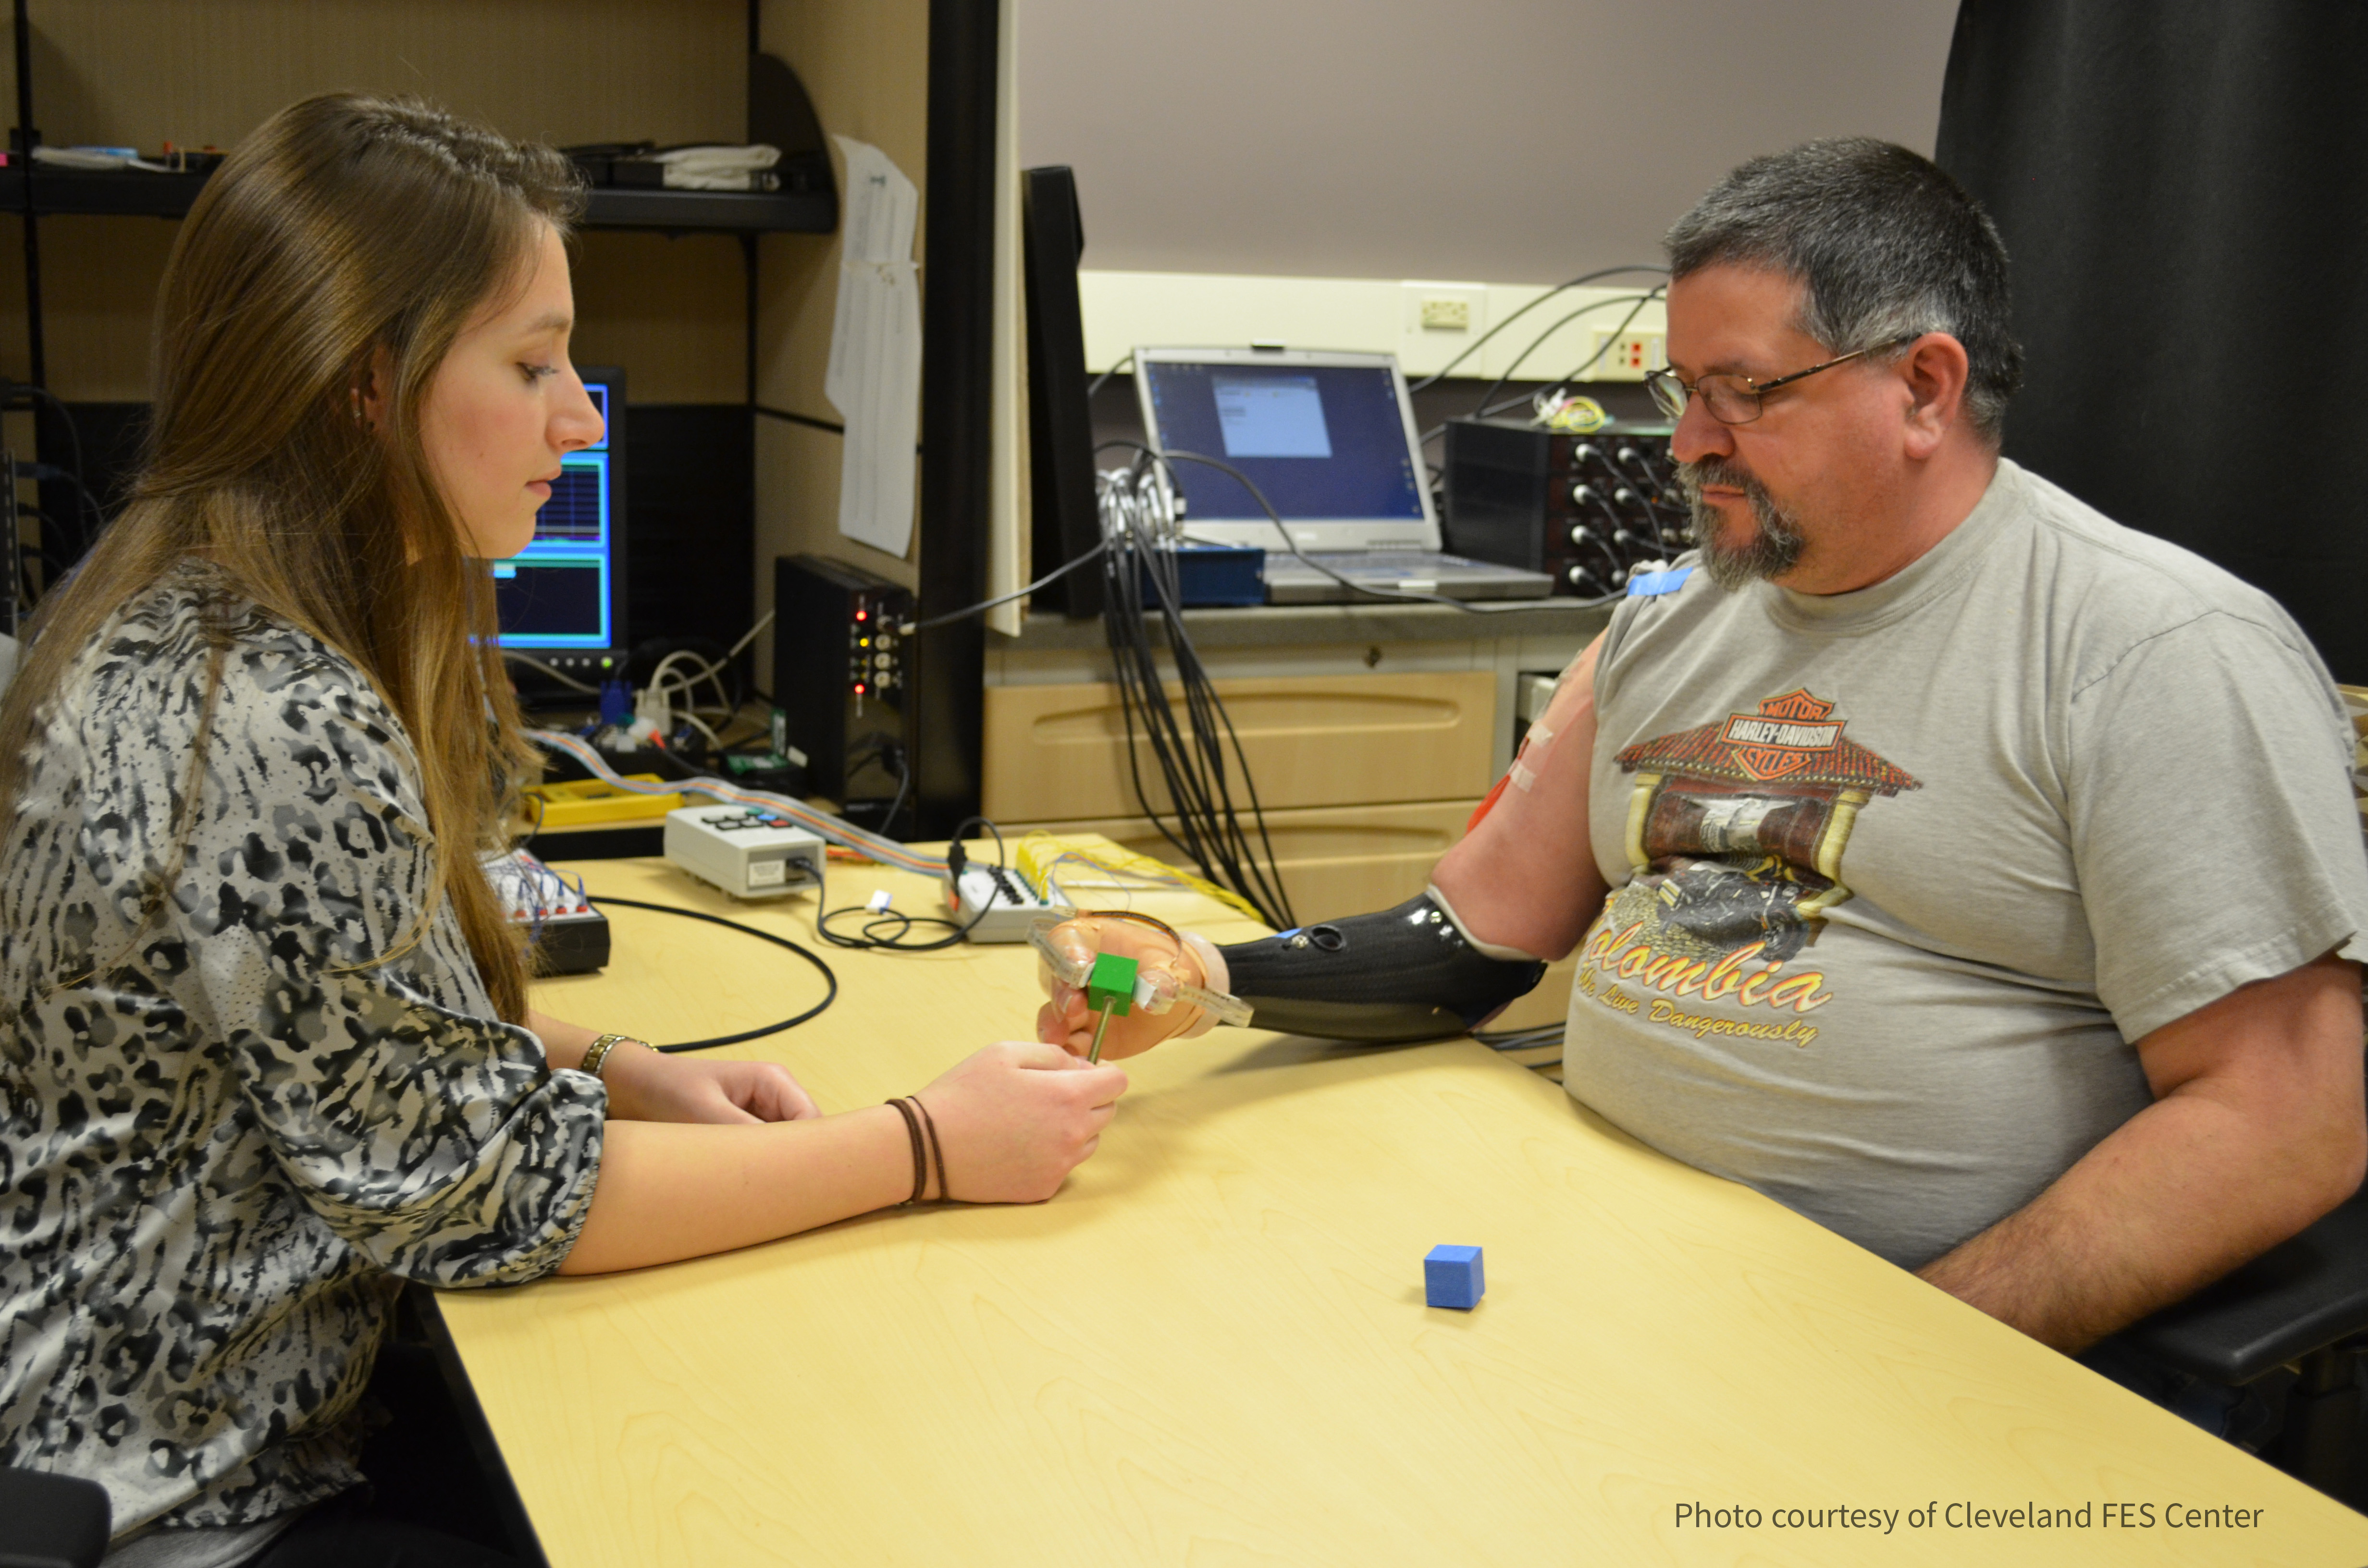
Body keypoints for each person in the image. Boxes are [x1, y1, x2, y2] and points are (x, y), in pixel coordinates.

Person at [1041, 138, 2368, 1431]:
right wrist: (1203, 978)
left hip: (1915, 1345)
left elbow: (2284, 1118)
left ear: (1924, 386)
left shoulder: (2155, 654)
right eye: (1681, 390)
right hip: (1618, 1274)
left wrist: (1928, 1352)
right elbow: (1470, 941)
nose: (1688, 443)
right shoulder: (1670, 623)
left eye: (1743, 393)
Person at [0, 94, 1127, 1567]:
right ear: (360, 383)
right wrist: (925, 1142)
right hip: (188, 1490)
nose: (581, 416)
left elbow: (315, 1040)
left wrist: (611, 1062)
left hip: (184, 1399)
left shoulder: (185, 620)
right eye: (533, 363)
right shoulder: (261, 714)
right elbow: (483, 1193)